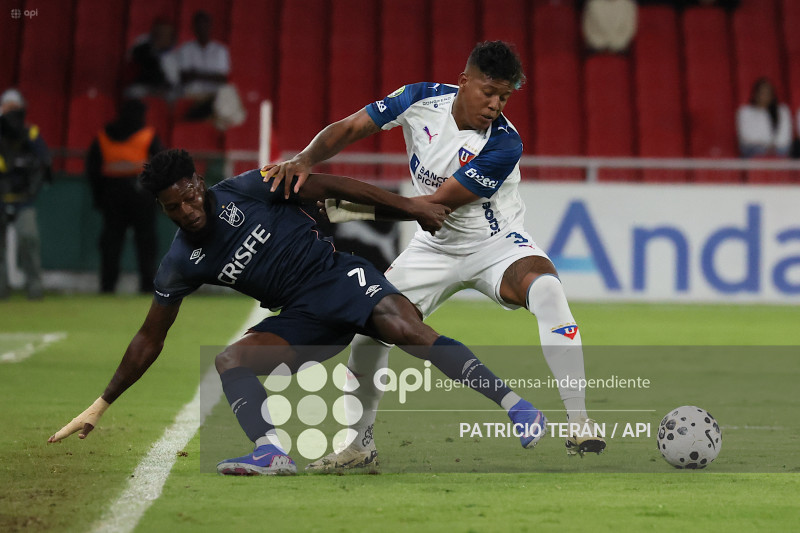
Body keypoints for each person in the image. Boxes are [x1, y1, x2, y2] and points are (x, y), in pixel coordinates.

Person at [48, 149, 548, 476]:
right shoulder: (181, 262)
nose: (189, 210)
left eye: (191, 195)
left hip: (339, 277)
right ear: (164, 211)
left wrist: (408, 206)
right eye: (175, 207)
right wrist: (101, 404)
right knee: (231, 361)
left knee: (406, 330)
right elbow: (149, 338)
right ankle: (271, 452)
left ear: (199, 182)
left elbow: (334, 188)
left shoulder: (248, 187)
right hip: (304, 318)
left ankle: (516, 407)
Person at [264, 40, 605, 472]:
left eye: (505, 96)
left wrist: (340, 204)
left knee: (549, 291)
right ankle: (358, 445)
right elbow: (351, 128)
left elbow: (436, 206)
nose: (496, 105)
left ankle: (580, 422)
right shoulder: (419, 99)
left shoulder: (504, 144)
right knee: (370, 331)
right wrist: (305, 159)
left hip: (496, 244)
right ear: (464, 82)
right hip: (433, 249)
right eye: (488, 92)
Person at [86, 99, 163, 293]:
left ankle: (107, 286)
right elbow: (161, 167)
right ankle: (147, 286)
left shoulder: (104, 136)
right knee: (146, 242)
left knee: (111, 242)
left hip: (112, 195)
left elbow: (92, 170)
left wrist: (99, 198)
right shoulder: (147, 135)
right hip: (142, 195)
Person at [0, 88, 51, 300]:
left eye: (15, 108)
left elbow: (43, 160)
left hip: (23, 197)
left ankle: (35, 288)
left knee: (28, 238)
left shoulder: (30, 133)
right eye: (7, 107)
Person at [177, 10, 243, 129]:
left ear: (210, 26)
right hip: (192, 93)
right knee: (223, 103)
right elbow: (184, 77)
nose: (202, 28)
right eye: (199, 25)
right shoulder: (185, 49)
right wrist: (210, 76)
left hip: (215, 93)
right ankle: (208, 117)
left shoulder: (221, 50)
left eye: (204, 24)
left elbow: (222, 79)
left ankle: (200, 116)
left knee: (229, 92)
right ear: (194, 27)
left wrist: (196, 74)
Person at [123, 19, 180, 100]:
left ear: (171, 39)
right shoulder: (142, 45)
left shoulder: (172, 57)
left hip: (164, 91)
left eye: (165, 34)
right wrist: (154, 48)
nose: (161, 36)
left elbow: (174, 82)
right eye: (158, 33)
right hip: (142, 87)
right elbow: (132, 63)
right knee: (133, 92)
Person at [736, 78, 792, 158]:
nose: (765, 96)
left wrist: (773, 147)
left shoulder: (782, 111)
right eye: (762, 93)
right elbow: (746, 138)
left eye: (768, 93)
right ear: (755, 94)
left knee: (785, 149)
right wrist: (766, 145)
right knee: (755, 150)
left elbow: (785, 138)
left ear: (772, 95)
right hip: (753, 149)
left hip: (778, 149)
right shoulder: (744, 112)